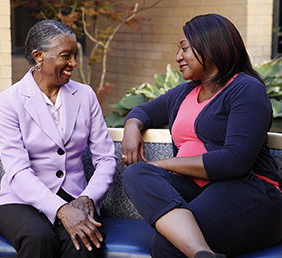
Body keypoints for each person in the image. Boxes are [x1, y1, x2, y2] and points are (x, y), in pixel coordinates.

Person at [121, 13, 282, 258]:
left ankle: (198, 252)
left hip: (248, 191)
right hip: (194, 190)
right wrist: (132, 127)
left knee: (168, 243)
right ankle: (202, 253)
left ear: (210, 45)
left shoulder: (246, 90)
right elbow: (142, 111)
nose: (177, 57)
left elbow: (234, 161)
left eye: (184, 48)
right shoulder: (182, 93)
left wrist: (163, 164)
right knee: (136, 172)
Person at [0, 20, 117, 258]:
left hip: (76, 196)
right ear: (39, 57)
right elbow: (17, 170)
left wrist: (88, 197)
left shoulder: (85, 95)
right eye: (65, 56)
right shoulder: (9, 100)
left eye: (75, 55)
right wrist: (60, 209)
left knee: (83, 241)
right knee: (38, 238)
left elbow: (106, 157)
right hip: (20, 201)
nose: (74, 63)